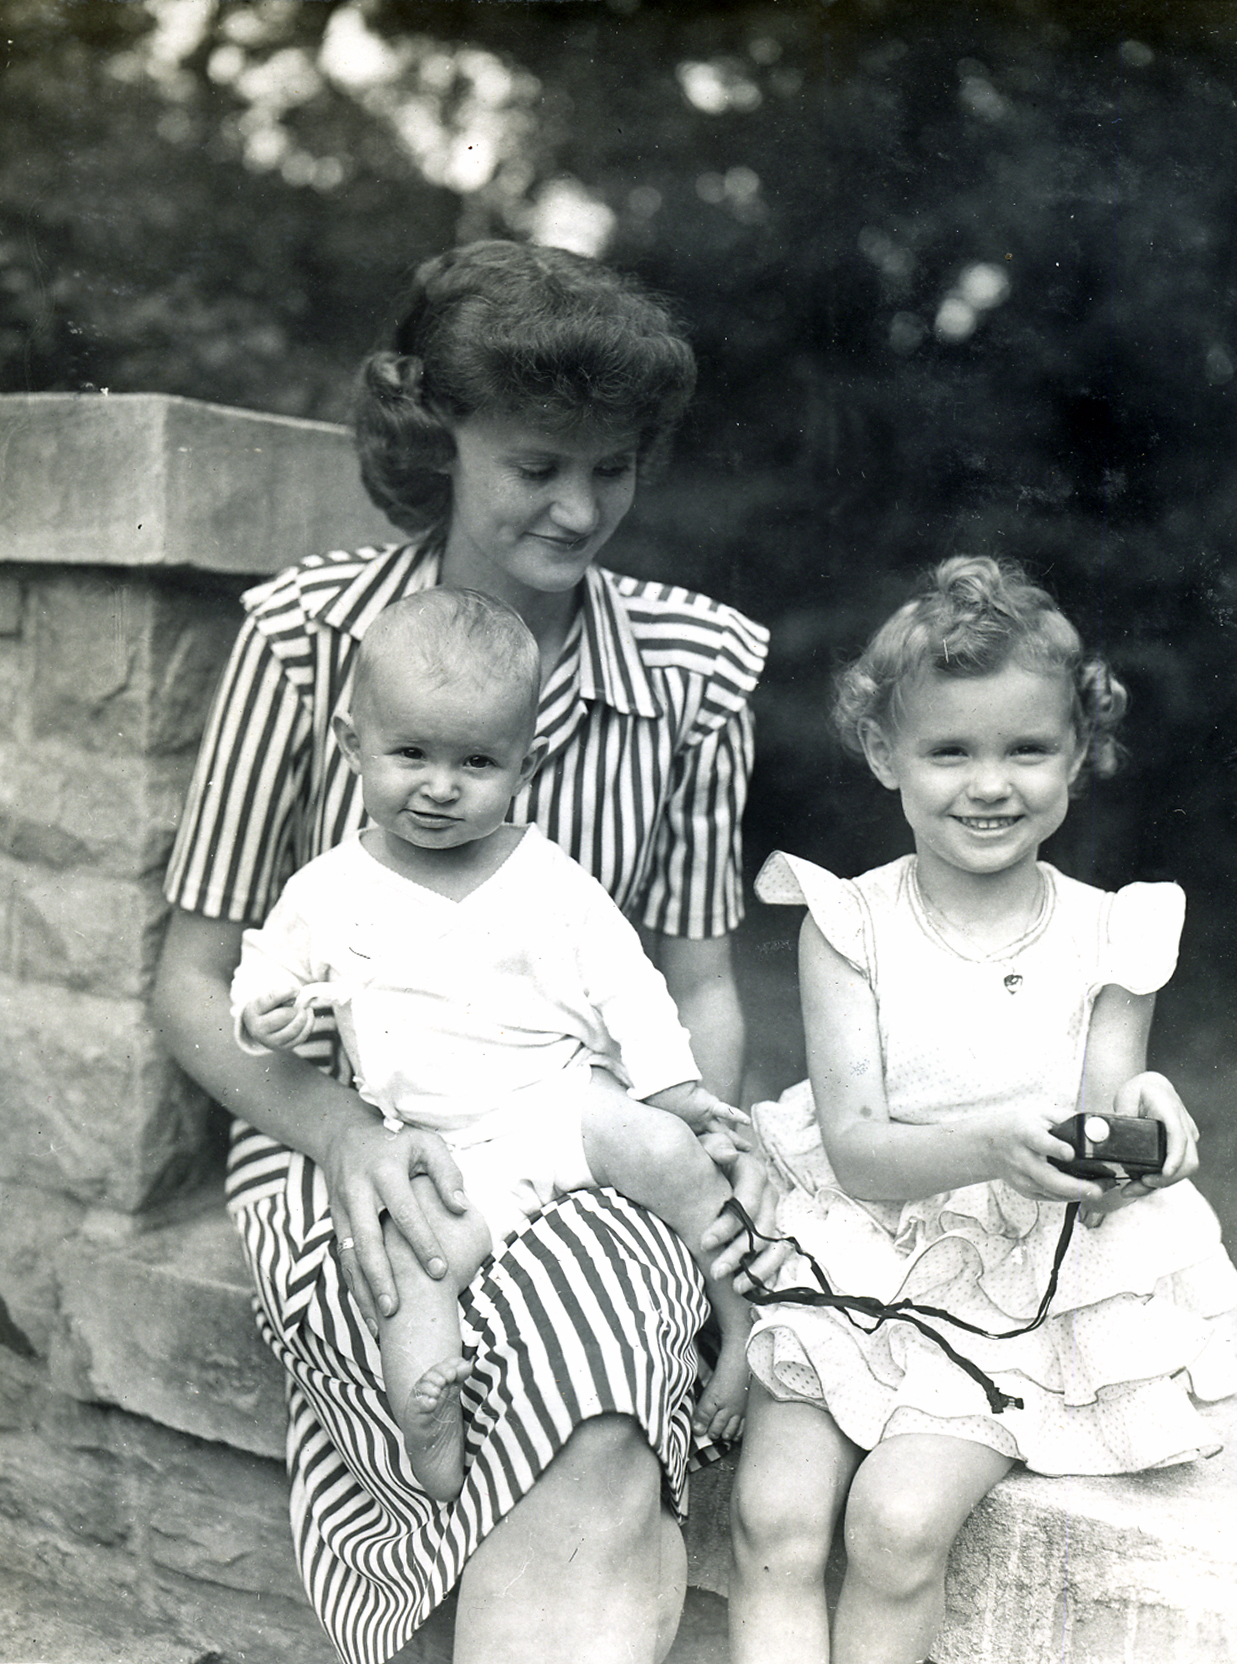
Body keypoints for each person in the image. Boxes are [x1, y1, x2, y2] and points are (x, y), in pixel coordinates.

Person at [153, 237, 772, 1664]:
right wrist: (341, 1134)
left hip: (588, 1127)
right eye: (537, 464)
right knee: (449, 1345)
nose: (580, 507)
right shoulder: (308, 638)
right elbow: (192, 980)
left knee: (605, 1402)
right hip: (347, 1132)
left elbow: (695, 986)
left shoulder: (693, 672)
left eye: (613, 468)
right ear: (444, 437)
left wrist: (695, 1132)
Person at [727, 555, 1237, 1664]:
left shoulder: (1112, 931)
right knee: (773, 1518)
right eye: (949, 751)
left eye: (1026, 750)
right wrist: (987, 1145)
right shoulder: (846, 922)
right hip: (858, 1257)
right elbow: (858, 1151)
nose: (989, 784)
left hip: (1019, 1281)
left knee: (895, 1523)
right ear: (884, 755)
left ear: (1078, 755)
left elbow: (1100, 1148)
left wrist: (1144, 1119)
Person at [230, 586, 754, 1502]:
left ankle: (740, 1323)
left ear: (525, 763)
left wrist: (671, 1088)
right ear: (353, 745)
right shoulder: (327, 890)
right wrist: (263, 1012)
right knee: (408, 1265)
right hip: (440, 1146)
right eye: (410, 754)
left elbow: (629, 985)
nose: (440, 786)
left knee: (668, 1154)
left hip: (561, 1102)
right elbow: (261, 973)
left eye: (476, 761)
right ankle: (428, 1425)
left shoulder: (547, 877)